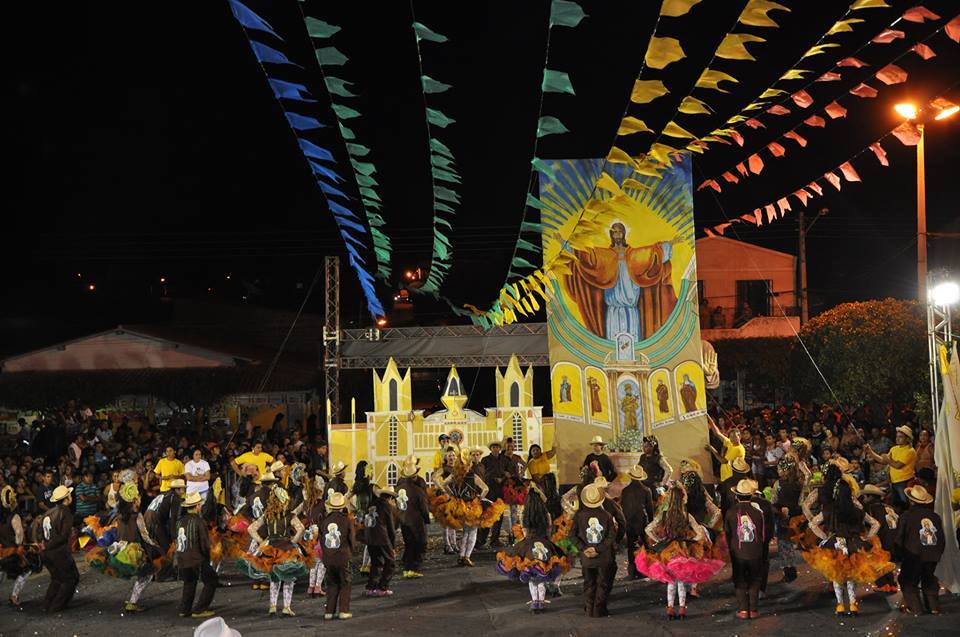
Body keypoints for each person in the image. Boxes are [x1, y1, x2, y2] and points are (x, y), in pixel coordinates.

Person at [806, 475, 894, 616]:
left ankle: (840, 606)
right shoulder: (857, 510)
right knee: (852, 575)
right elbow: (875, 524)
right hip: (854, 543)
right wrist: (866, 537)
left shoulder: (830, 510)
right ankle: (853, 605)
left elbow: (812, 524)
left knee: (837, 576)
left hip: (836, 544)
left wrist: (824, 537)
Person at [635, 484, 724, 619]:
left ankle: (670, 609)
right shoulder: (687, 516)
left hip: (668, 550)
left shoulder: (664, 515)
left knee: (671, 581)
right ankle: (682, 609)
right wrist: (691, 540)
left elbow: (648, 529)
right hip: (683, 549)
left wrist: (659, 540)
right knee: (681, 581)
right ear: (682, 499)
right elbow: (700, 533)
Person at [84, 481, 161, 613]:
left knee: (143, 575)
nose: (140, 499)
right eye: (138, 497)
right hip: (134, 552)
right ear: (134, 500)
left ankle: (132, 602)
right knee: (146, 575)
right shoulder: (137, 516)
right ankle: (132, 603)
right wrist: (156, 546)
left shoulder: (119, 515)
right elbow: (145, 536)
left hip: (120, 550)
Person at [496, 485, 571, 613]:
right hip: (545, 544)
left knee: (532, 578)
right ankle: (541, 602)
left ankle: (535, 602)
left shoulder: (524, 515)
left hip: (528, 546)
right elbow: (549, 531)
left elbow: (524, 534)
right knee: (542, 576)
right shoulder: (546, 514)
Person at [242, 487, 309, 617]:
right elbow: (301, 529)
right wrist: (294, 540)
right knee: (288, 578)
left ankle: (272, 606)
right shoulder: (289, 515)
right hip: (286, 549)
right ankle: (286, 607)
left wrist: (261, 541)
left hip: (270, 548)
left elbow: (251, 528)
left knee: (274, 578)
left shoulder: (267, 515)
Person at [433, 448, 505, 567]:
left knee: (466, 532)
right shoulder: (473, 476)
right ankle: (466, 556)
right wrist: (480, 498)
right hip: (472, 507)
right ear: (468, 464)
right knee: (472, 532)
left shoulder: (454, 475)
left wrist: (452, 494)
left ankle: (462, 556)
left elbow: (444, 484)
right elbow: (485, 489)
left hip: (459, 506)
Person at [725, 479, 772, 619]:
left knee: (740, 580)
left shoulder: (731, 512)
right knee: (755, 579)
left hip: (738, 552)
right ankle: (754, 609)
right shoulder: (758, 513)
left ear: (737, 496)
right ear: (751, 496)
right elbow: (763, 535)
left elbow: (728, 533)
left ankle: (743, 610)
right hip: (756, 551)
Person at [896, 485, 945, 615]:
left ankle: (916, 608)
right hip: (933, 552)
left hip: (914, 552)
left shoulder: (907, 515)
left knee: (908, 580)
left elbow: (900, 536)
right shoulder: (935, 516)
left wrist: (899, 552)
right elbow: (941, 537)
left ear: (911, 501)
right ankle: (934, 607)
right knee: (929, 578)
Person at [571, 483, 616, 618]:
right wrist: (598, 549)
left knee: (589, 582)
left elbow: (572, 535)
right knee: (602, 583)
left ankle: (589, 608)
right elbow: (611, 536)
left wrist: (584, 548)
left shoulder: (579, 516)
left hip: (586, 557)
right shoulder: (607, 516)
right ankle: (598, 610)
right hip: (603, 556)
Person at [175, 490, 217, 618]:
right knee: (212, 580)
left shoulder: (180, 521)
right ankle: (200, 609)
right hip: (196, 559)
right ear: (197, 506)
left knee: (189, 582)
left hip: (182, 557)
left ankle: (184, 610)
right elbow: (204, 543)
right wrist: (207, 558)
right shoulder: (199, 521)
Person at [40, 485, 78, 612]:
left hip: (46, 553)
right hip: (58, 552)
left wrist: (45, 546)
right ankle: (57, 606)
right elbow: (63, 536)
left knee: (57, 579)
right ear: (66, 498)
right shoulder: (65, 512)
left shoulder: (47, 513)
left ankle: (47, 604)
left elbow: (41, 533)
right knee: (70, 578)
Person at [319, 491, 355, 620]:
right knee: (345, 582)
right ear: (342, 506)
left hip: (328, 558)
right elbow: (352, 539)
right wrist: (350, 552)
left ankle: (329, 611)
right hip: (343, 556)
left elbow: (321, 540)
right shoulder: (347, 520)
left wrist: (326, 554)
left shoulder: (324, 521)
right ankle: (343, 610)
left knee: (332, 583)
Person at [0, 485, 38, 608]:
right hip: (12, 551)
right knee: (27, 569)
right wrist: (20, 545)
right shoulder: (14, 517)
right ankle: (14, 596)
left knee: (1, 571)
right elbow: (19, 536)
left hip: (2, 550)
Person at [866, 425, 916, 509]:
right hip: (894, 481)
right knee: (896, 505)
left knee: (905, 504)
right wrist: (870, 452)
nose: (897, 439)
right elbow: (883, 460)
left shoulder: (910, 451)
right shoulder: (894, 449)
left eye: (900, 437)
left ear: (907, 439)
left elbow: (897, 465)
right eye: (897, 436)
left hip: (904, 481)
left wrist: (887, 459)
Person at [395, 461, 430, 579]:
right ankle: (414, 568)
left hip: (403, 521)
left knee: (409, 544)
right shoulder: (418, 491)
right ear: (414, 476)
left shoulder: (398, 489)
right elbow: (424, 508)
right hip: (416, 522)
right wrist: (426, 519)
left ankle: (407, 569)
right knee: (420, 544)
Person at [770, 456, 802, 583]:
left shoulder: (778, 484)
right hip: (796, 517)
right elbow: (801, 502)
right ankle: (791, 569)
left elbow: (774, 500)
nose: (777, 471)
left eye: (779, 469)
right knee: (790, 544)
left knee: (783, 545)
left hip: (782, 517)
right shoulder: (799, 484)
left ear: (785, 470)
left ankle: (788, 571)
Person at [620, 464, 654, 580]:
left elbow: (623, 507)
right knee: (644, 546)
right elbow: (650, 509)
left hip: (629, 522)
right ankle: (644, 569)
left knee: (631, 546)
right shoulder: (646, 490)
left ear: (631, 476)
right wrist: (651, 524)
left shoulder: (625, 491)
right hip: (642, 521)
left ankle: (632, 571)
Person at [363, 485, 397, 597]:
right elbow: (391, 528)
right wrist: (393, 546)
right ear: (390, 498)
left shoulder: (371, 504)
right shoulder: (386, 506)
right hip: (382, 537)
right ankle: (382, 587)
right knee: (390, 562)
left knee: (375, 563)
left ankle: (371, 587)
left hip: (370, 537)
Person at [296, 472, 327, 598]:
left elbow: (294, 513)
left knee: (314, 561)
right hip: (320, 534)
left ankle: (311, 586)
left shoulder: (306, 503)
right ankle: (318, 587)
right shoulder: (323, 504)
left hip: (308, 535)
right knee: (322, 561)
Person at [480, 441, 510, 548]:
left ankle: (495, 539)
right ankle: (481, 540)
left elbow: (508, 472)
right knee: (488, 514)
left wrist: (503, 478)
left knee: (499, 515)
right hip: (489, 490)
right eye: (493, 447)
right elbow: (483, 474)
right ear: (491, 449)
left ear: (500, 448)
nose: (495, 449)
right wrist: (493, 478)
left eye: (497, 447)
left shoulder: (504, 459)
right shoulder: (485, 460)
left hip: (501, 490)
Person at [350, 461, 375, 575]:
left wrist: (355, 510)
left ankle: (365, 565)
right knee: (372, 541)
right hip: (369, 517)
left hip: (360, 516)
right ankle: (367, 565)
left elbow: (345, 499)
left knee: (369, 542)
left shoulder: (357, 485)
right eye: (371, 470)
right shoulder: (369, 486)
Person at [707, 417, 745, 483]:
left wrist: (712, 450)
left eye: (734, 436)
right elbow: (717, 433)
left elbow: (723, 461)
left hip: (731, 477)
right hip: (726, 476)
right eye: (731, 437)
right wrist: (708, 417)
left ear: (740, 436)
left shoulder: (738, 449)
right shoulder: (731, 442)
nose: (732, 438)